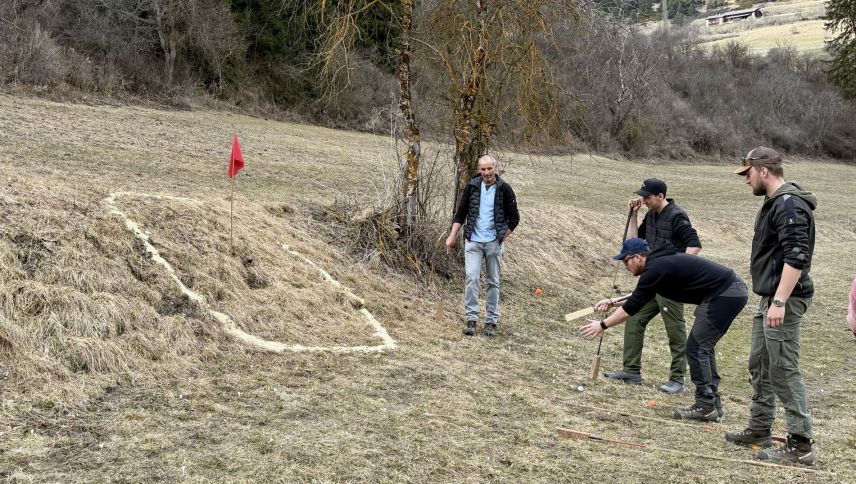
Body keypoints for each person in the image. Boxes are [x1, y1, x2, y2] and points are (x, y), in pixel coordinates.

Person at [580, 238, 748, 422]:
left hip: (725, 294)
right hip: (730, 292)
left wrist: (602, 325)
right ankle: (712, 405)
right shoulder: (658, 265)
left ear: (637, 257)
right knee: (702, 347)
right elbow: (640, 295)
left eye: (625, 261)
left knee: (697, 347)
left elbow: (633, 307)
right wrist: (612, 302)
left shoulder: (656, 268)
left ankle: (706, 405)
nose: (625, 267)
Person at [725, 147, 818, 466]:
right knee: (760, 363)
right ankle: (759, 428)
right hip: (771, 296)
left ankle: (801, 444)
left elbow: (796, 257)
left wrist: (779, 301)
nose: (745, 179)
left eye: (747, 173)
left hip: (786, 299)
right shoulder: (775, 202)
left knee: (782, 367)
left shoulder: (789, 204)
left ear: (763, 171)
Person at [605, 178, 702, 395]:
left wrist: (679, 269)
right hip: (652, 280)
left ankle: (677, 379)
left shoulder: (677, 216)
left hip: (671, 284)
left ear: (660, 196)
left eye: (647, 197)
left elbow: (694, 245)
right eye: (643, 197)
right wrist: (634, 214)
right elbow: (633, 242)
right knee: (634, 318)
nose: (644, 200)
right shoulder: (650, 215)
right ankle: (631, 371)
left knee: (674, 331)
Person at [445, 155, 519, 337]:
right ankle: (471, 319)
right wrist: (452, 236)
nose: (486, 172)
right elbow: (460, 214)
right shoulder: (472, 187)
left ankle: (491, 322)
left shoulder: (505, 189)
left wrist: (501, 237)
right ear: (479, 170)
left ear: (495, 168)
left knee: (493, 281)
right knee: (471, 277)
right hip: (473, 241)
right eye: (483, 169)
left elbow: (514, 218)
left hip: (494, 243)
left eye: (489, 169)